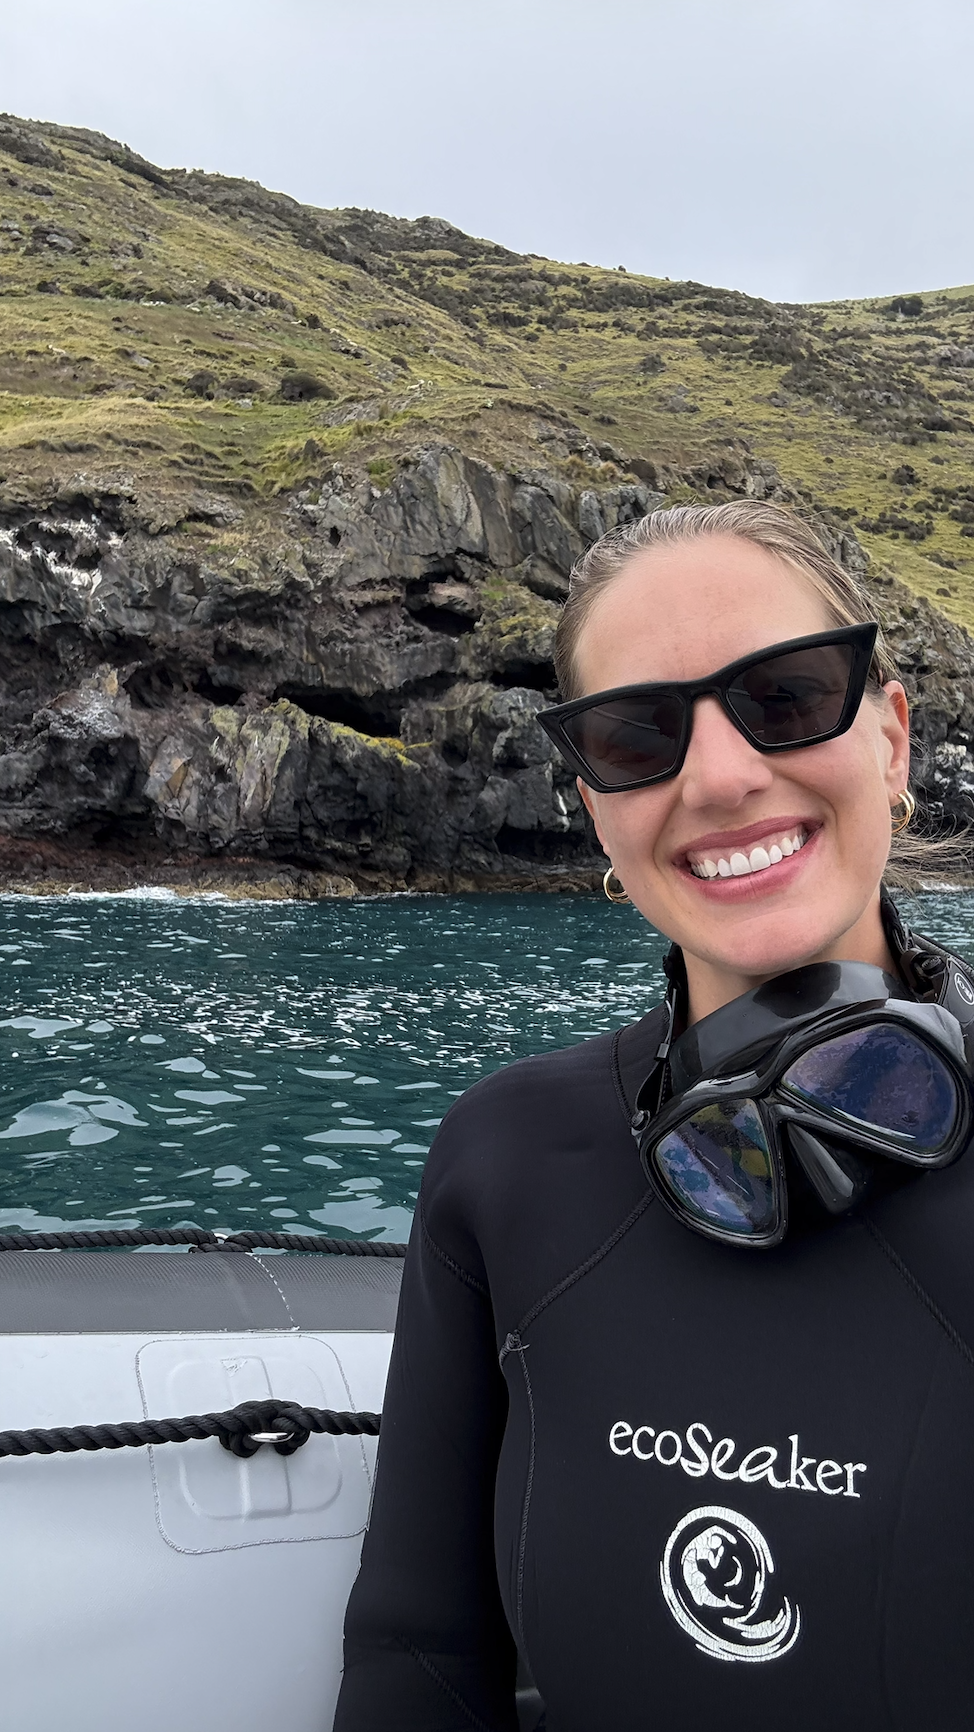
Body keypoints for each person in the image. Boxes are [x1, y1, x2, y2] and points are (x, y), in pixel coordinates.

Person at [333, 501, 974, 1732]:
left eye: (785, 698)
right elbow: (414, 1646)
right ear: (593, 813)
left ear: (890, 741)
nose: (722, 775)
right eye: (637, 736)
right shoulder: (504, 1163)